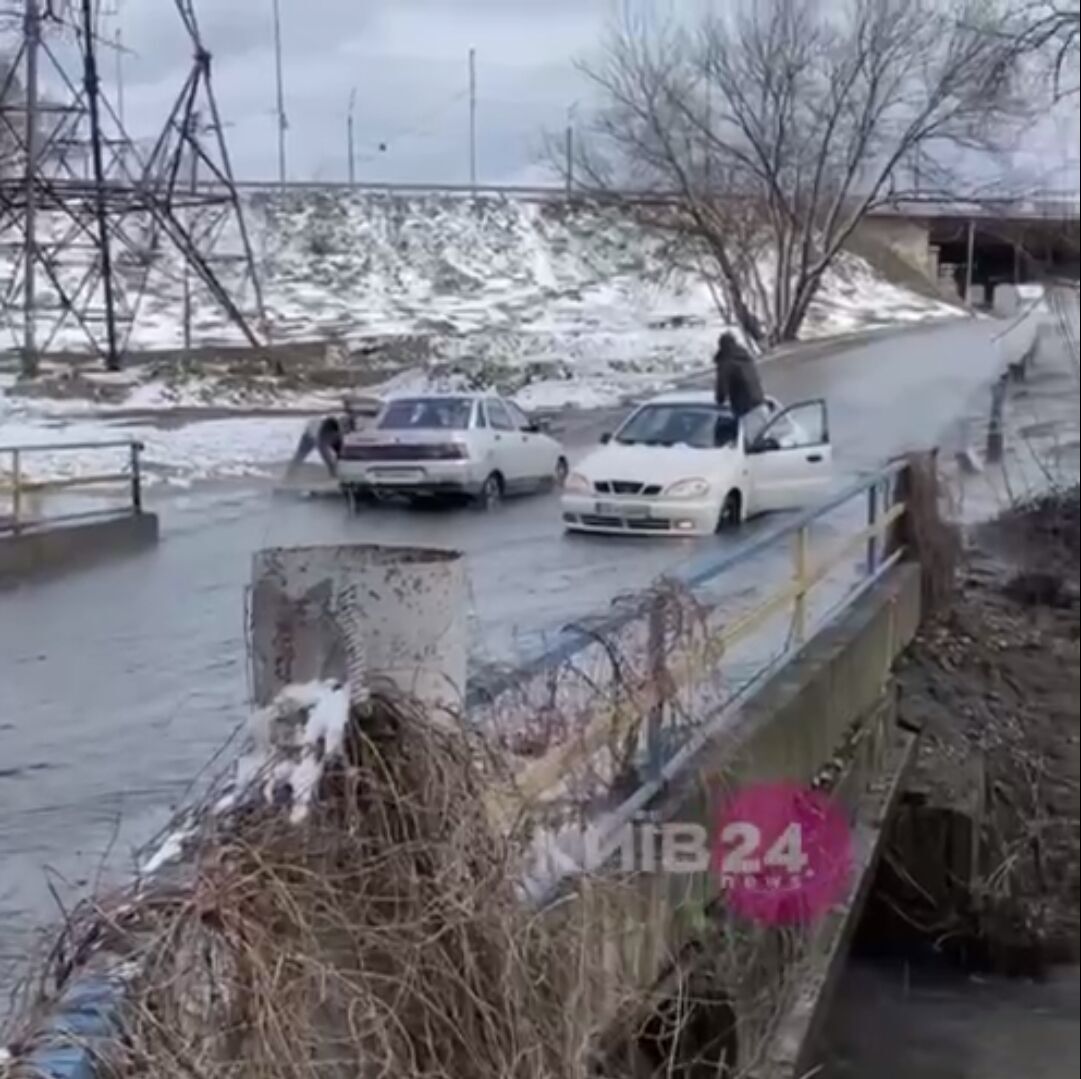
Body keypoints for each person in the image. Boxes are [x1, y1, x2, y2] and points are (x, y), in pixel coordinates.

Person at [713, 331, 771, 442]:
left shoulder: (727, 362)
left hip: (747, 410)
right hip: (761, 405)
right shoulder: (745, 358)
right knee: (763, 444)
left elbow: (722, 389)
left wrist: (719, 399)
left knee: (754, 449)